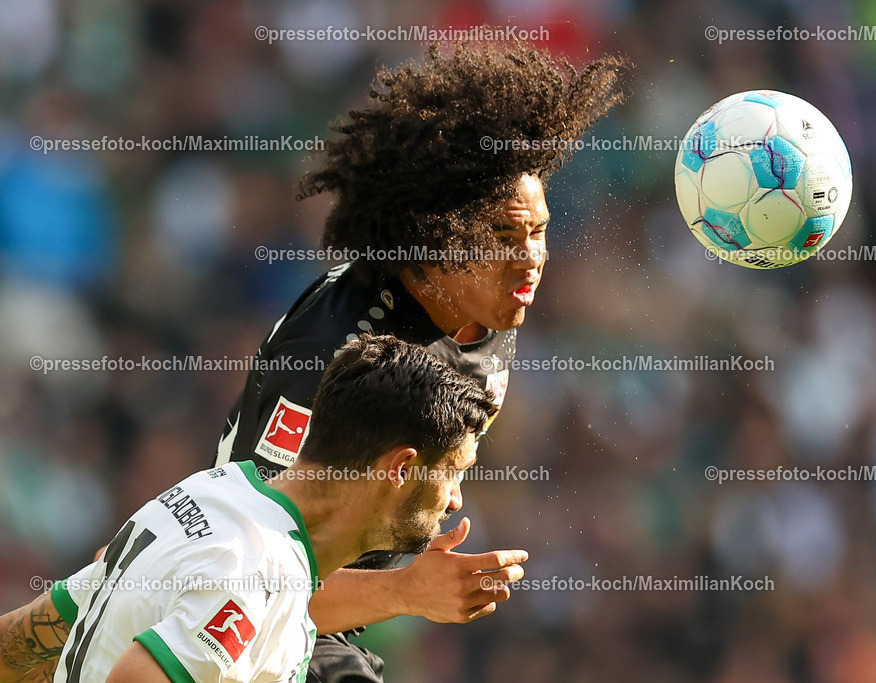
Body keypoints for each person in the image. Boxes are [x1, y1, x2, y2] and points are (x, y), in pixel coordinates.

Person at [213, 37, 627, 681]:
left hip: (343, 619)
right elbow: (236, 579)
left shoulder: (486, 309)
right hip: (250, 629)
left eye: (539, 231)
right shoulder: (329, 361)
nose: (530, 259)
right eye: (504, 235)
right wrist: (407, 591)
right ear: (436, 236)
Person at [0, 335, 527, 683]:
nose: (455, 498)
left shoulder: (210, 492)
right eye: (453, 471)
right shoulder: (258, 571)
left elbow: (27, 639)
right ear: (401, 468)